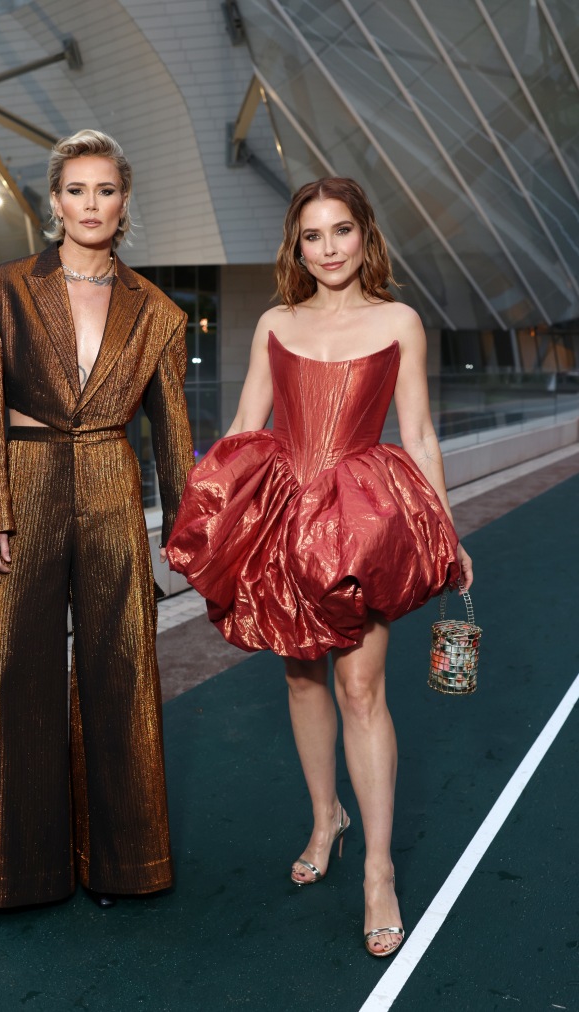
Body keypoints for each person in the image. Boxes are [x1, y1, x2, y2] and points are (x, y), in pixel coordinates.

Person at [167, 177, 472, 958]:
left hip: (363, 523)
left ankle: (377, 870)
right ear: (295, 246)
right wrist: (210, 518)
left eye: (342, 231)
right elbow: (242, 427)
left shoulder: (400, 320)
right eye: (313, 235)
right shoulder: (276, 321)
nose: (329, 248)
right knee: (301, 680)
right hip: (283, 521)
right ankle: (323, 817)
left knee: (360, 688)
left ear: (365, 236)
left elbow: (421, 434)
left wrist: (447, 534)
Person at [0, 129, 194, 933]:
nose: (91, 205)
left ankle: (122, 864)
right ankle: (3, 872)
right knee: (10, 674)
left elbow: (173, 434)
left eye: (106, 190)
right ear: (53, 201)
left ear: (124, 203)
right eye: (76, 190)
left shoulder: (158, 311)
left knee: (121, 670)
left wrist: (184, 528)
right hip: (23, 482)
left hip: (109, 481)